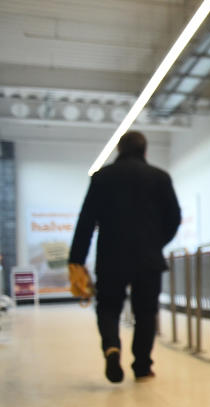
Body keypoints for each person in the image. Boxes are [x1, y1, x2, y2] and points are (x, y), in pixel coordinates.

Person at [69, 131, 181, 383]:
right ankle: (141, 366)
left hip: (111, 257)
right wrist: (157, 242)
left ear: (119, 150)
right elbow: (174, 218)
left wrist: (76, 259)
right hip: (148, 259)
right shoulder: (160, 178)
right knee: (145, 313)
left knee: (108, 307)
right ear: (145, 151)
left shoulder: (102, 178)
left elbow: (86, 222)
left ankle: (111, 348)